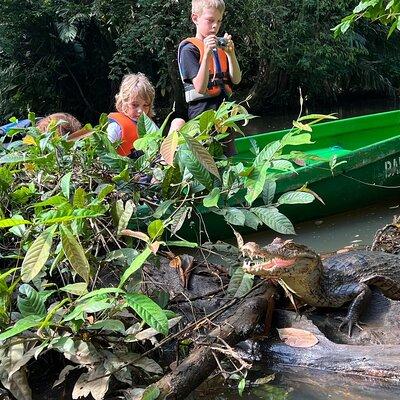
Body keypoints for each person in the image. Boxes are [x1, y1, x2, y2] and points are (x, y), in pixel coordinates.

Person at [177, 0, 242, 155]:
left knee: (228, 159)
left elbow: (236, 79)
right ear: (195, 18)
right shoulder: (189, 49)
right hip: (202, 115)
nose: (215, 26)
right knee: (208, 162)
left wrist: (230, 54)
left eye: (218, 21)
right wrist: (206, 54)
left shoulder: (219, 47)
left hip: (225, 115)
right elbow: (200, 87)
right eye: (210, 20)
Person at [108, 73, 184, 158]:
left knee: (178, 122)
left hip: (154, 164)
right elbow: (106, 154)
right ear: (123, 103)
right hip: (128, 168)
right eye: (134, 105)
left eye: (145, 105)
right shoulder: (115, 127)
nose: (141, 111)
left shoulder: (150, 126)